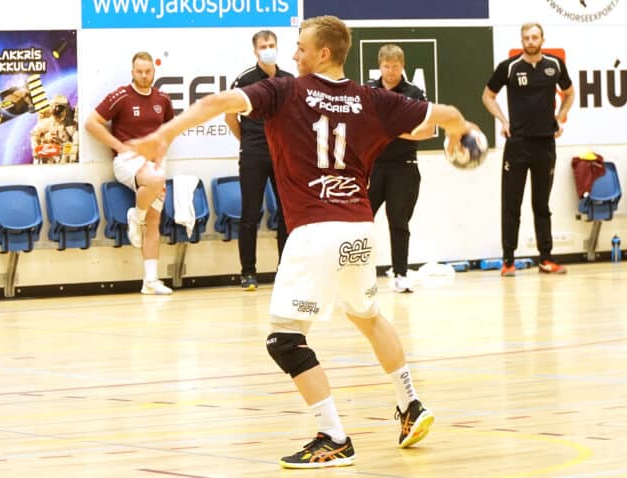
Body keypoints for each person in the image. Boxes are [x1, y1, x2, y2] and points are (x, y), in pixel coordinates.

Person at [131, 15, 480, 468]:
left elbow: (219, 101)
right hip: (359, 228)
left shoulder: (285, 91)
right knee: (368, 316)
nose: (293, 54)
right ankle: (410, 403)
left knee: (285, 339)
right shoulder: (372, 99)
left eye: (300, 47)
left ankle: (333, 436)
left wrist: (164, 134)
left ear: (323, 53)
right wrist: (459, 133)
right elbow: (448, 114)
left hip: (316, 232)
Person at [482, 22, 575, 277]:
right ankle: (508, 261)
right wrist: (503, 121)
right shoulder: (509, 67)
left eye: (535, 37)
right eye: (526, 37)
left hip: (545, 144)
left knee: (541, 204)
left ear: (542, 39)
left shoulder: (555, 65)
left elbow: (569, 93)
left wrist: (560, 118)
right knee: (511, 203)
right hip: (517, 144)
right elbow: (487, 96)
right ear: (521, 40)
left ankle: (546, 259)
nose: (531, 41)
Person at [85, 51, 174, 295]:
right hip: (127, 161)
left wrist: (159, 154)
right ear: (132, 72)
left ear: (154, 72)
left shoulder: (163, 99)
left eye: (148, 71)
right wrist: (120, 146)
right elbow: (91, 123)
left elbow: (168, 131)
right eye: (139, 71)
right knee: (156, 179)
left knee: (153, 222)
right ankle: (136, 215)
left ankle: (150, 281)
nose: (144, 75)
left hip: (153, 162)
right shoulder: (121, 96)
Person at [224, 30, 294, 291]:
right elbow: (230, 117)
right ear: (255, 51)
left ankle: (285, 270)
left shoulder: (289, 80)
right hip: (253, 154)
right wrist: (248, 142)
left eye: (271, 45)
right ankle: (248, 272)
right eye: (263, 46)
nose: (268, 49)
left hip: (283, 155)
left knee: (287, 213)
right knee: (250, 214)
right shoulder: (244, 80)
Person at [366, 44, 430, 293]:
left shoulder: (414, 93)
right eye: (386, 66)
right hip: (373, 166)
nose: (391, 71)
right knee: (361, 221)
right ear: (379, 66)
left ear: (402, 66)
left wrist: (393, 131)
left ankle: (401, 274)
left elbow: (427, 130)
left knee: (399, 222)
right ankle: (358, 276)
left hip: (404, 167)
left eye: (395, 66)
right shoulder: (369, 91)